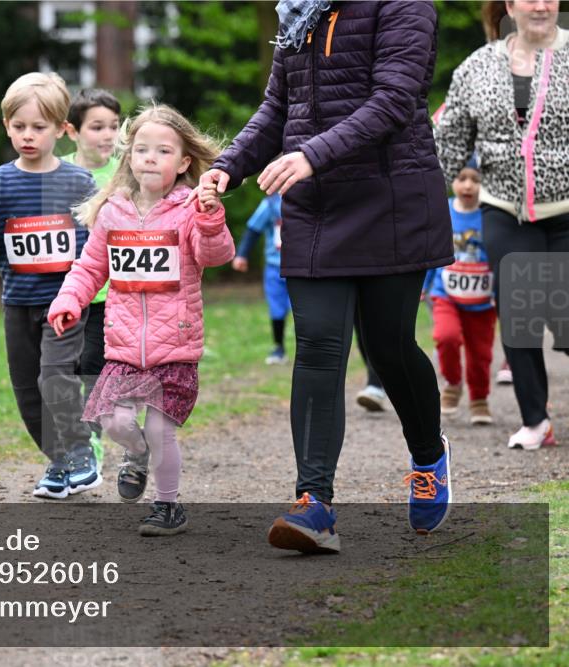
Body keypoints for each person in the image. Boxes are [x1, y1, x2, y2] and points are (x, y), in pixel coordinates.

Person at [189, 0, 456, 551]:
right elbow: (276, 108)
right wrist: (227, 166)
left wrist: (311, 154)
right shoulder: (300, 10)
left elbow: (394, 100)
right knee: (316, 346)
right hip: (315, 209)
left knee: (388, 347)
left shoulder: (405, 5)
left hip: (391, 202)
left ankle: (428, 455)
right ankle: (315, 503)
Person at [48, 105, 235, 535]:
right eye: (143, 149)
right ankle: (135, 455)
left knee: (160, 428)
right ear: (129, 156)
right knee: (114, 421)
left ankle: (167, 506)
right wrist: (68, 301)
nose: (151, 157)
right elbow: (89, 267)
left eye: (163, 150)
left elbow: (217, 255)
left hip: (176, 343)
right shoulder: (113, 212)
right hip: (124, 344)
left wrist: (209, 218)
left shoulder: (190, 209)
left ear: (184, 161)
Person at [436, 0, 567, 450]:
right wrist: (425, 199)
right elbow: (450, 140)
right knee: (519, 311)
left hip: (566, 208)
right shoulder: (478, 66)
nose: (539, 4)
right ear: (509, 5)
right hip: (504, 209)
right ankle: (536, 421)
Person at [0, 72, 99, 499]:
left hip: (65, 302)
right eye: (18, 126)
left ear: (61, 130)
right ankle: (59, 461)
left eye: (38, 127)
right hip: (17, 304)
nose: (27, 135)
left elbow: (100, 235)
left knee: (55, 378)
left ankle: (81, 452)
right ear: (6, 125)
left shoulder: (79, 182)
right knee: (27, 390)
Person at [62, 88, 122, 468]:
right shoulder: (57, 171)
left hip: (108, 295)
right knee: (59, 373)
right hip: (62, 293)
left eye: (114, 126)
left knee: (92, 370)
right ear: (72, 131)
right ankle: (69, 441)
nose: (107, 135)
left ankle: (91, 444)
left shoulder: (124, 174)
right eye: (97, 126)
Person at [423, 159, 497, 425]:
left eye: (475, 179)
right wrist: (424, 285)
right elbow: (433, 250)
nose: (468, 185)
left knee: (481, 354)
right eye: (462, 178)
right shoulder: (443, 211)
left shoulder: (491, 215)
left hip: (483, 300)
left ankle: (479, 399)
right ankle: (453, 383)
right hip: (446, 293)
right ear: (451, 181)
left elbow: (499, 255)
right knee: (446, 336)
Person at [231, 193, 292, 365]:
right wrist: (242, 254)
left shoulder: (310, 197)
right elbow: (253, 229)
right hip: (275, 265)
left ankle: (309, 350)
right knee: (276, 308)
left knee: (305, 310)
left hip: (303, 267)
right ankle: (279, 347)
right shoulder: (272, 204)